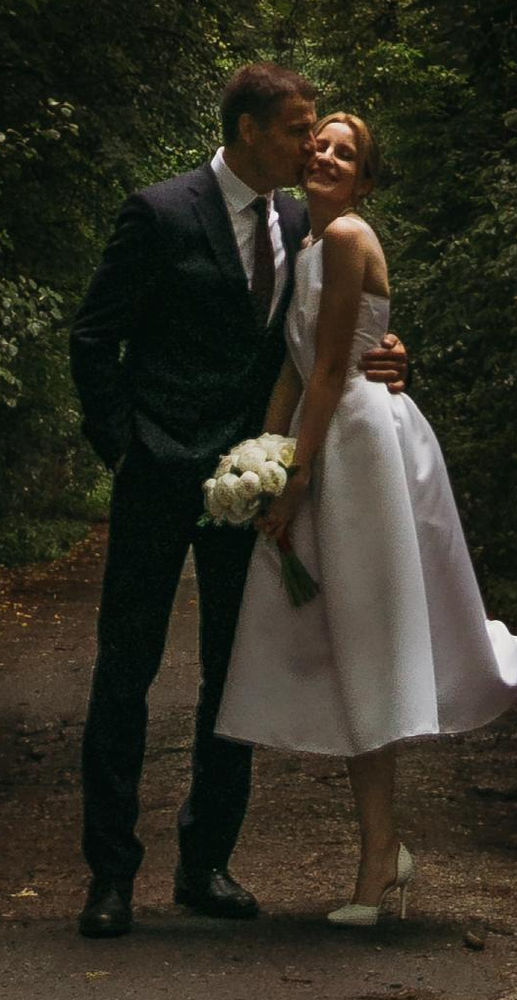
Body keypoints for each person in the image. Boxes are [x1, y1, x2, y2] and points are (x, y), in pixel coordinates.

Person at [215, 107, 517, 922]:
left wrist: (296, 478)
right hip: (326, 436)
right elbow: (294, 372)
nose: (326, 156)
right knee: (357, 644)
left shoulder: (345, 237)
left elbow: (330, 371)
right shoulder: (305, 241)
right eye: (320, 145)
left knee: (371, 640)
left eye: (346, 153)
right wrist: (262, 457)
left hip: (359, 443)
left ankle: (380, 859)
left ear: (365, 181)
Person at [67, 64, 410, 939]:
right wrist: (125, 448)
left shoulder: (303, 222)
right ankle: (110, 875)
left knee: (234, 669)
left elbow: (330, 333)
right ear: (250, 131)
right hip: (155, 472)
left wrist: (389, 355)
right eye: (298, 129)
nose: (311, 143)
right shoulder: (159, 212)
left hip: (248, 479)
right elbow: (94, 336)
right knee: (126, 669)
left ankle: (206, 864)